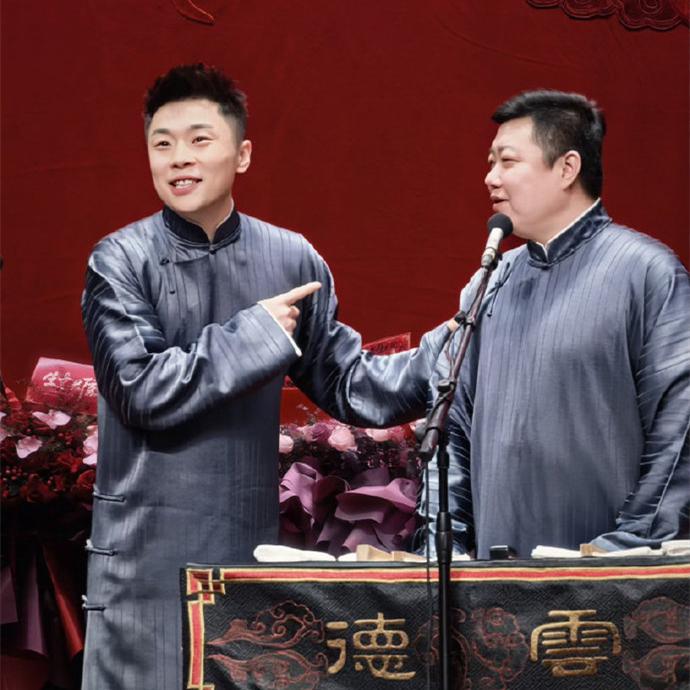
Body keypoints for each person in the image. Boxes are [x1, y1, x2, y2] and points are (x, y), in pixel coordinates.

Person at [80, 64, 453, 688]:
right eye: (162, 143)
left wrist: (452, 346)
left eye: (199, 139)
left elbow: (351, 384)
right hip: (143, 561)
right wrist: (254, 334)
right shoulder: (119, 259)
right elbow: (140, 392)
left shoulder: (291, 258)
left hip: (243, 556)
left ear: (243, 154)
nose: (178, 158)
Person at [418, 90, 689, 560]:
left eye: (507, 161)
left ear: (567, 168)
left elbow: (679, 435)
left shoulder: (648, 272)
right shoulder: (492, 280)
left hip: (605, 582)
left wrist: (619, 554)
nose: (490, 177)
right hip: (489, 582)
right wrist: (447, 550)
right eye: (490, 163)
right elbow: (451, 427)